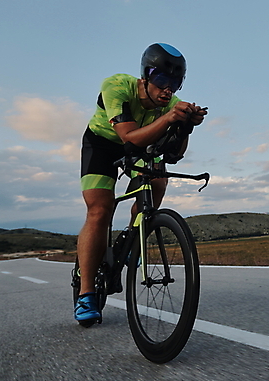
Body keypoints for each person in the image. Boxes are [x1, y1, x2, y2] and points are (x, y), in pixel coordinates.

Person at [75, 43, 207, 325]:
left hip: (142, 144)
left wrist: (187, 126)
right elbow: (130, 138)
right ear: (146, 76)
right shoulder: (117, 86)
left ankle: (133, 237)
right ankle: (86, 292)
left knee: (157, 182)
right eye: (161, 80)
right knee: (100, 210)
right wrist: (172, 117)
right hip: (103, 145)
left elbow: (175, 155)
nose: (167, 89)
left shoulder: (170, 104)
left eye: (175, 82)